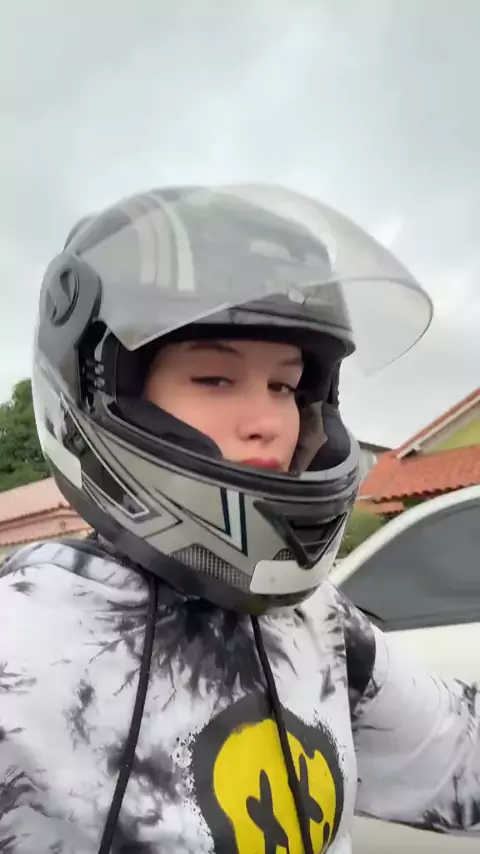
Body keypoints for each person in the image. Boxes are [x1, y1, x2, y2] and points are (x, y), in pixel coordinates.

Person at [0, 183, 478, 854]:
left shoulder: (318, 624)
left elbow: (459, 755)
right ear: (101, 390)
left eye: (285, 385)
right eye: (214, 379)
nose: (269, 423)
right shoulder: (22, 639)